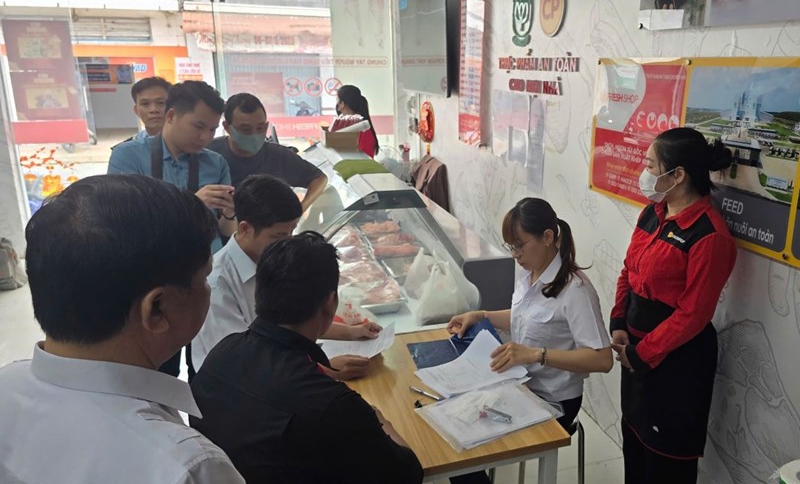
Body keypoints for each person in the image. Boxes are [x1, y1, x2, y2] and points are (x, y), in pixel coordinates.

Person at [0, 175, 244, 484]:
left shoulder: (6, 386)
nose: (210, 289)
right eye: (206, 277)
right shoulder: (187, 467)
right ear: (156, 309)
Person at [190, 232, 424, 484]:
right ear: (329, 303)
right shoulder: (333, 405)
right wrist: (379, 418)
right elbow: (408, 474)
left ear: (260, 292)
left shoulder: (221, 353)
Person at [447, 198, 612, 483]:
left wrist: (536, 355)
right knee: (452, 425)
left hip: (554, 400)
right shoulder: (529, 275)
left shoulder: (576, 290)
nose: (514, 254)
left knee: (464, 450)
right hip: (521, 386)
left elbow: (602, 359)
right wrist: (481, 314)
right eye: (510, 246)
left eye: (519, 245)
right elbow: (525, 318)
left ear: (547, 237)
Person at [610, 127, 737, 484]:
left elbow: (693, 315)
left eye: (651, 166)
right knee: (635, 446)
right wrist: (618, 321)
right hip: (634, 352)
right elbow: (629, 270)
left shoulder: (710, 236)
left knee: (666, 462)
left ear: (677, 175)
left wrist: (642, 353)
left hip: (676, 363)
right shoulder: (653, 212)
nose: (644, 174)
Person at [191, 174, 382, 379]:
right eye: (279, 236)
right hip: (235, 392)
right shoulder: (218, 285)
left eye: (292, 231)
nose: (287, 242)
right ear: (245, 229)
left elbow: (295, 321)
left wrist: (351, 332)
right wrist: (324, 371)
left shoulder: (273, 262)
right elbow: (243, 363)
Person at [108, 80, 235, 378]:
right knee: (154, 369)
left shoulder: (214, 163)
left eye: (212, 130)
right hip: (152, 282)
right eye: (198, 126)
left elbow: (225, 229)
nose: (205, 137)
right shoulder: (128, 157)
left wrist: (233, 213)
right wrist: (192, 203)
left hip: (204, 278)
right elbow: (122, 222)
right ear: (171, 116)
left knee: (208, 367)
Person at [206, 93, 327, 211]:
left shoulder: (278, 155)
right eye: (246, 129)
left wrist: (300, 210)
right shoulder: (208, 156)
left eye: (260, 128)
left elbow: (319, 179)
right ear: (227, 127)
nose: (254, 135)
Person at [113, 76, 172, 148]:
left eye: (161, 102)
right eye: (145, 104)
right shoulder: (127, 150)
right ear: (136, 110)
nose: (154, 110)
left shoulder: (187, 144)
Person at [336, 84, 379, 158]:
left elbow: (362, 163)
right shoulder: (351, 127)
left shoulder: (362, 130)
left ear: (342, 104)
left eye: (337, 99)